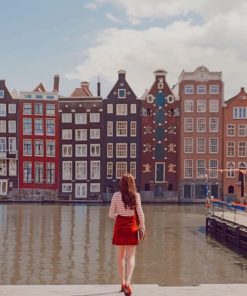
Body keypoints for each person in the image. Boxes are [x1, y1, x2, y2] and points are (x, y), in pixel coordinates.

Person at [109, 173, 145, 296]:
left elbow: (110, 214)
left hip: (119, 227)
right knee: (131, 256)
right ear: (132, 183)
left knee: (120, 257)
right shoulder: (136, 196)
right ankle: (129, 283)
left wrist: (119, 219)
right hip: (132, 227)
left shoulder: (116, 196)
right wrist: (142, 227)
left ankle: (122, 283)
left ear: (121, 183)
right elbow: (140, 214)